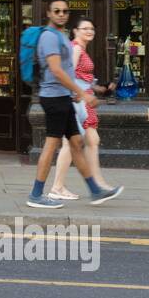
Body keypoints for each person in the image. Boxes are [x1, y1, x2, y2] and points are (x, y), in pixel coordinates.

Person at [28, 0, 123, 209]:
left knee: (76, 144)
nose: (61, 14)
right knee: (52, 145)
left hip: (64, 98)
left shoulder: (60, 37)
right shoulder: (50, 38)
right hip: (53, 98)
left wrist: (81, 91)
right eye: (57, 11)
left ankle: (95, 190)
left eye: (65, 11)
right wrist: (82, 92)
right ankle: (36, 194)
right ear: (49, 13)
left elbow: (69, 70)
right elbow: (56, 70)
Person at [50, 17, 111, 199]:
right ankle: (57, 187)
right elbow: (68, 74)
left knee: (92, 140)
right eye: (84, 28)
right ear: (75, 31)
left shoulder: (80, 48)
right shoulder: (75, 48)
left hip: (82, 100)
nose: (89, 31)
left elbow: (80, 76)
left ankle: (98, 183)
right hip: (76, 102)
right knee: (70, 143)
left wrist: (98, 88)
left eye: (91, 28)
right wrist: (76, 96)